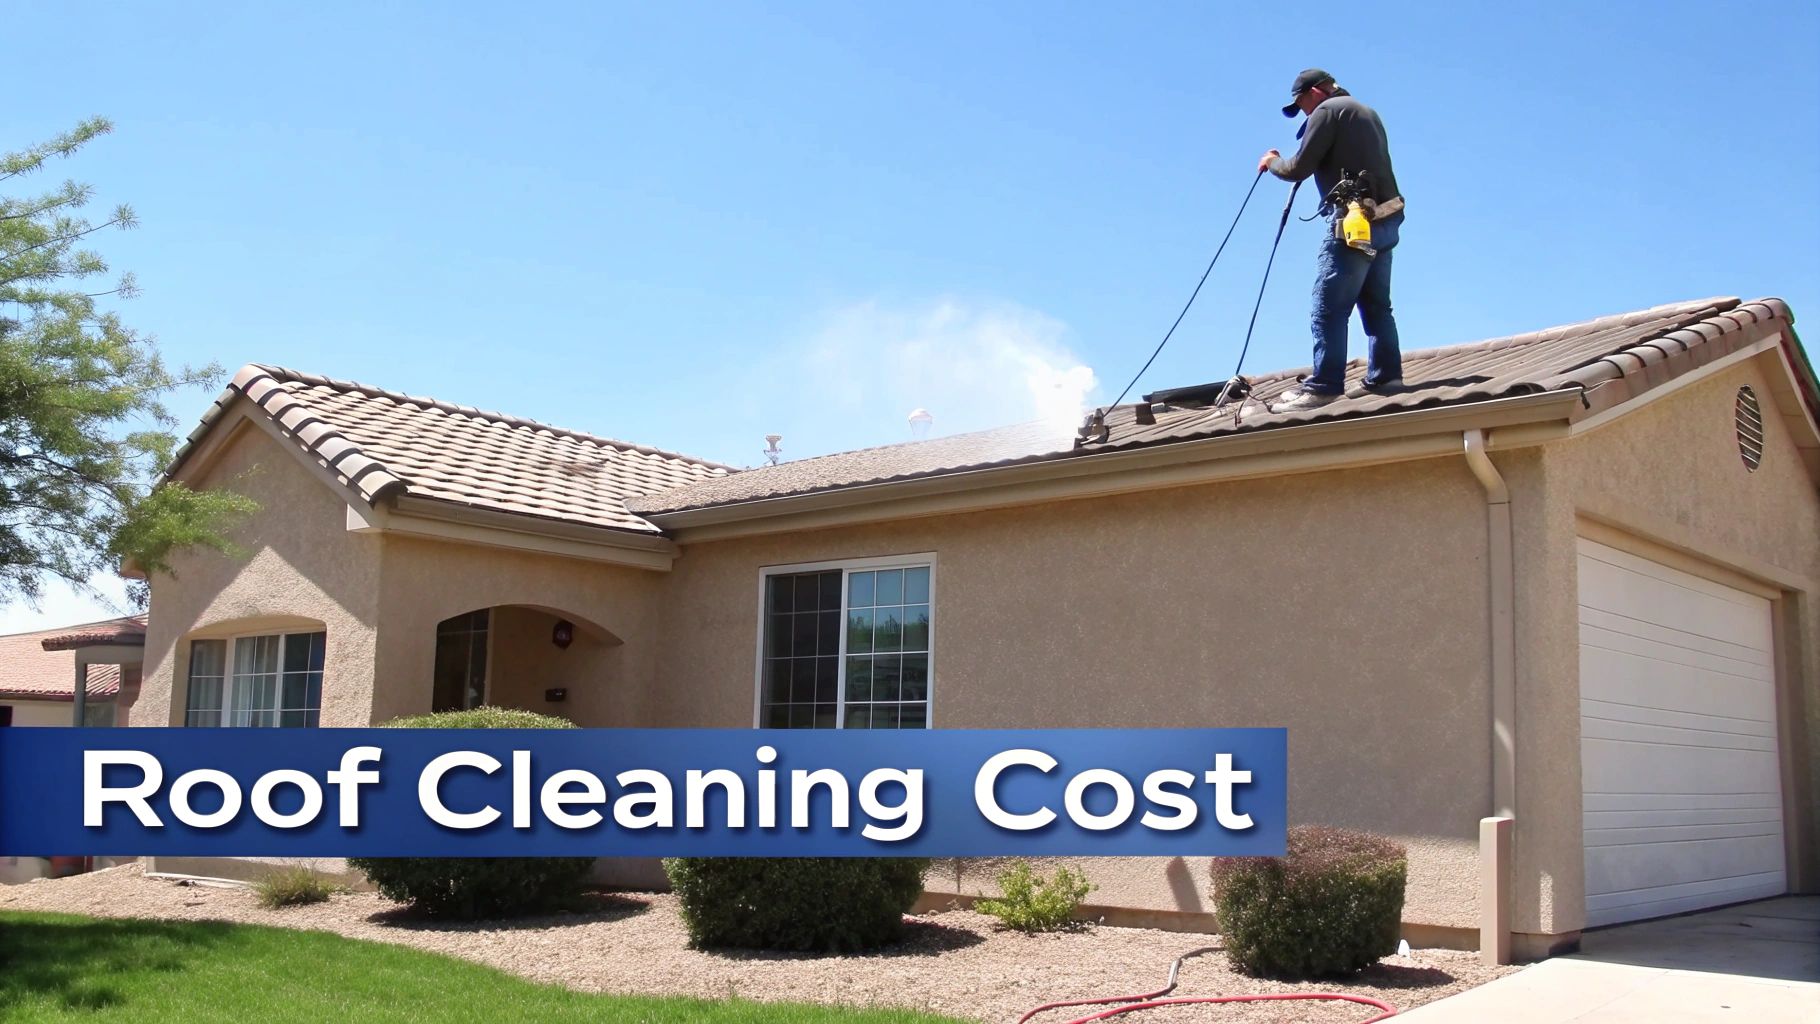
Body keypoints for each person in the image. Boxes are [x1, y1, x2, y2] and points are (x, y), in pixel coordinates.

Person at [1257, 69, 1405, 412]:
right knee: (1376, 305)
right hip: (1386, 218)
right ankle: (1386, 376)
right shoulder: (1365, 112)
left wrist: (1272, 162)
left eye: (1301, 104)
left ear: (1315, 92)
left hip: (1354, 222)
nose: (1303, 112)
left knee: (1329, 307)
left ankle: (1324, 386)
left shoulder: (1326, 111)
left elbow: (1297, 168)